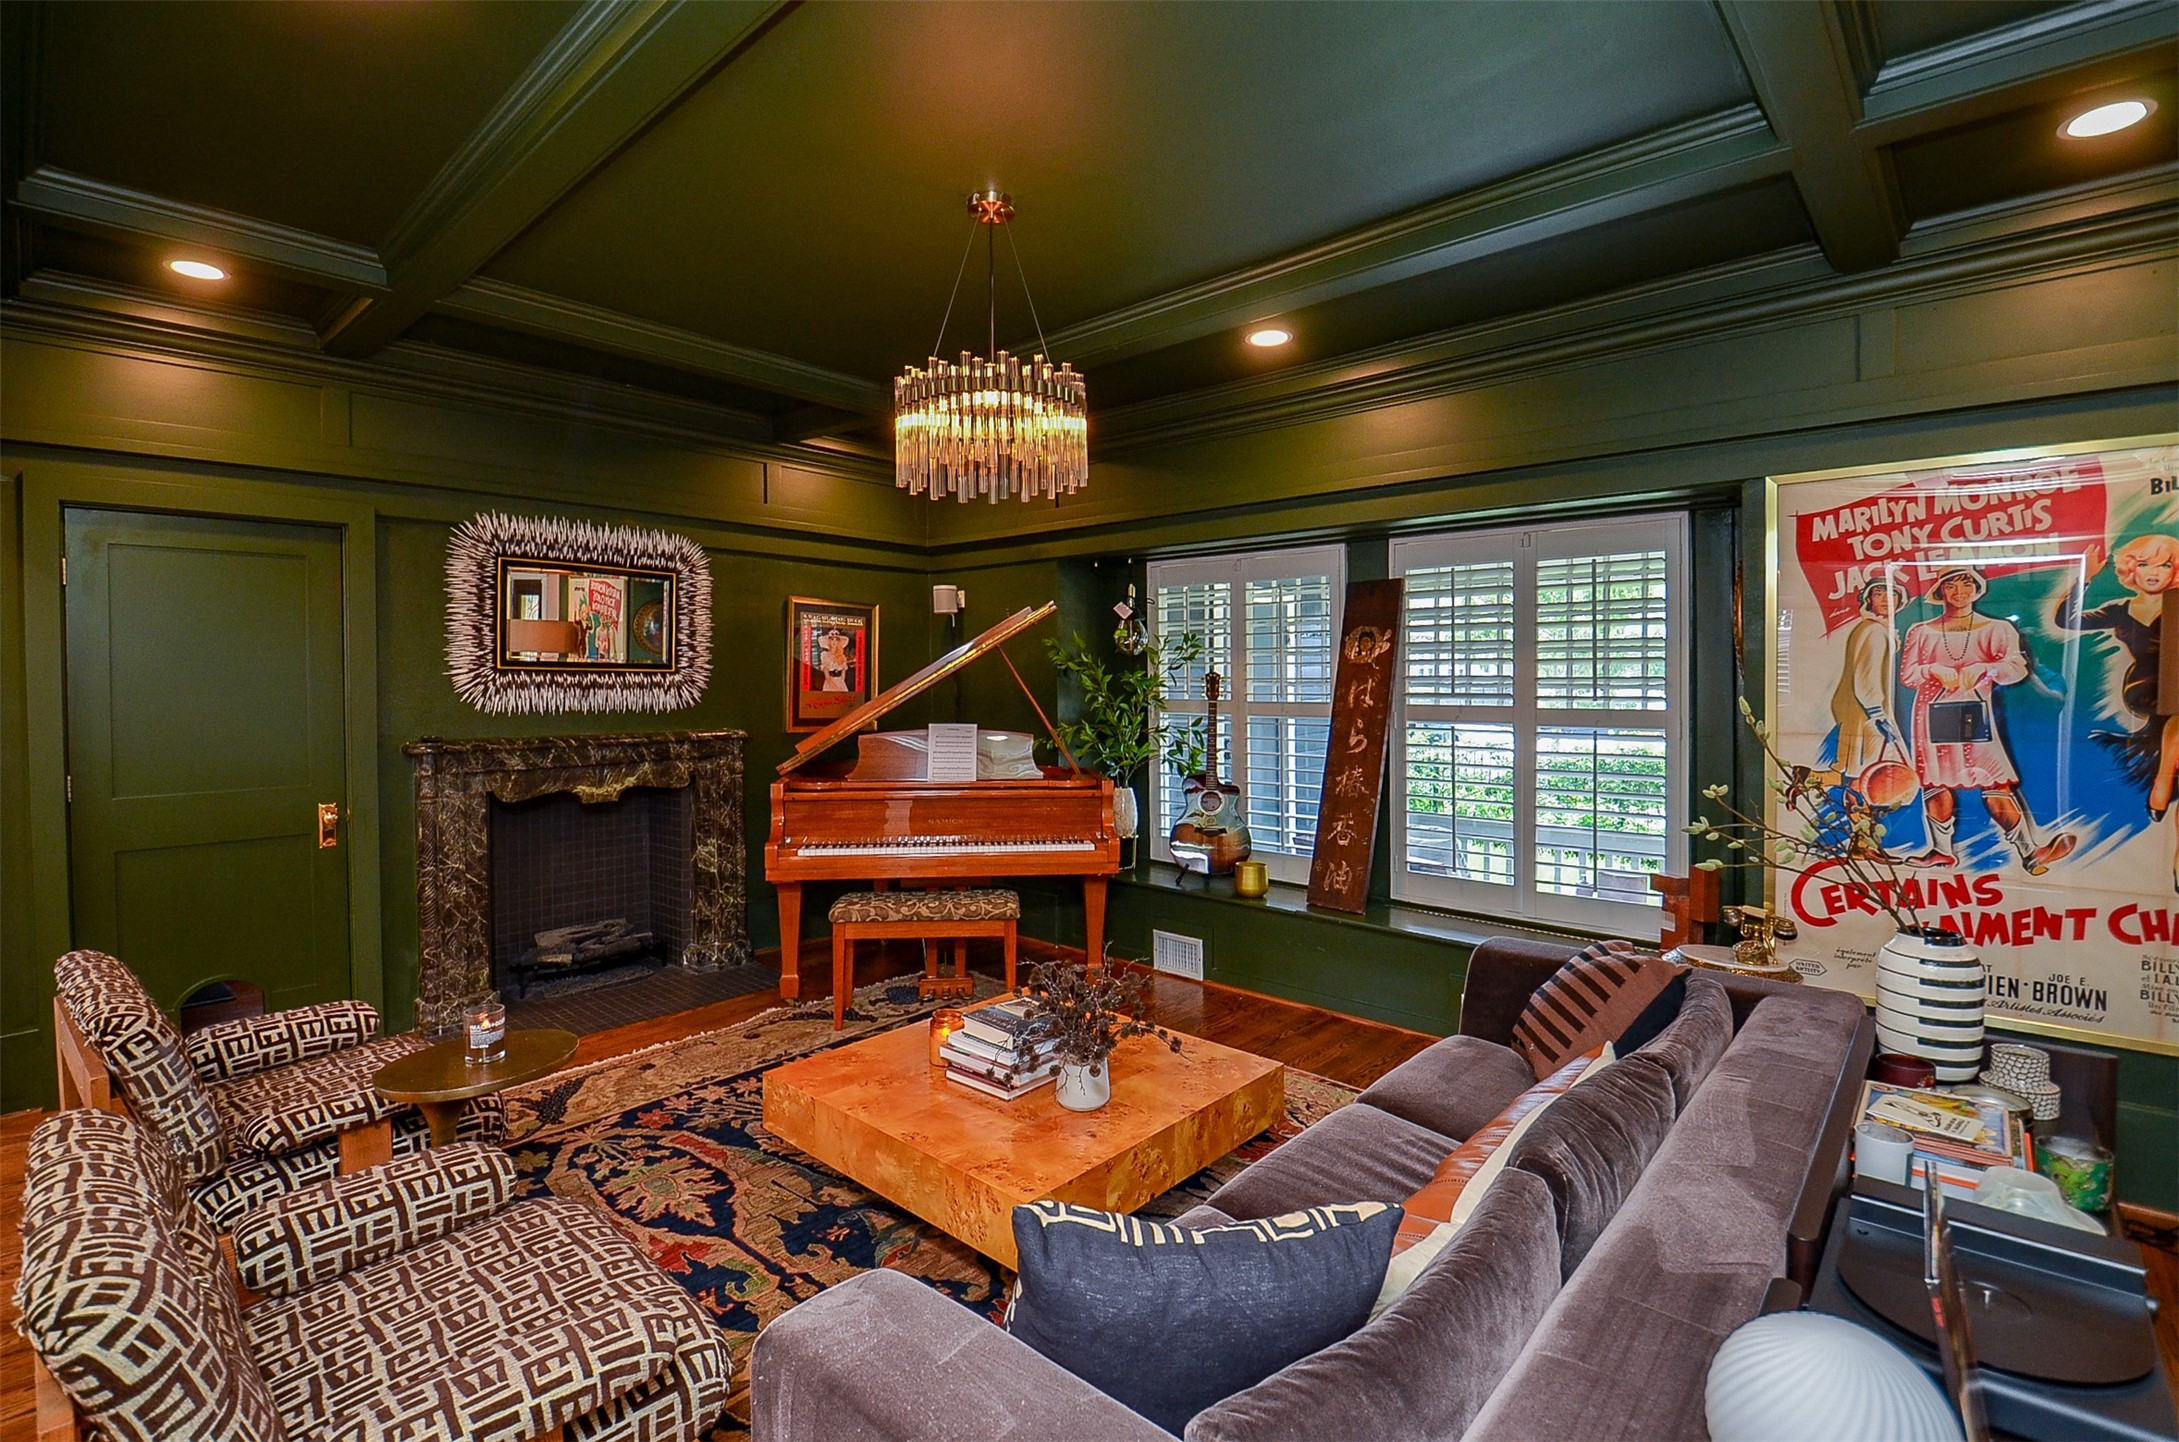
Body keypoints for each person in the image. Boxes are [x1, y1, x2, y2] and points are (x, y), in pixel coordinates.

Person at [1898, 566, 2076, 874]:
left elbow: (2016, 669)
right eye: (1951, 585)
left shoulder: (1997, 629)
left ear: (1976, 588)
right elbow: (1908, 675)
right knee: (1935, 783)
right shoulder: (1921, 631)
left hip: (1977, 714)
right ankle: (1942, 851)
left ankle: (2030, 851)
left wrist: (1985, 667)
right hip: (1931, 715)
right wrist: (1932, 671)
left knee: (1994, 782)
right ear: (1941, 591)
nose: (1959, 592)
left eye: (1966, 584)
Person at [2054, 533, 2179, 889]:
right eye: (2144, 564)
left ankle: (2165, 791)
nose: (2154, 572)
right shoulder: (2121, 610)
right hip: (2146, 688)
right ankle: (2161, 784)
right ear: (2130, 569)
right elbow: (2067, 619)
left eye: (2164, 563)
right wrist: (2085, 577)